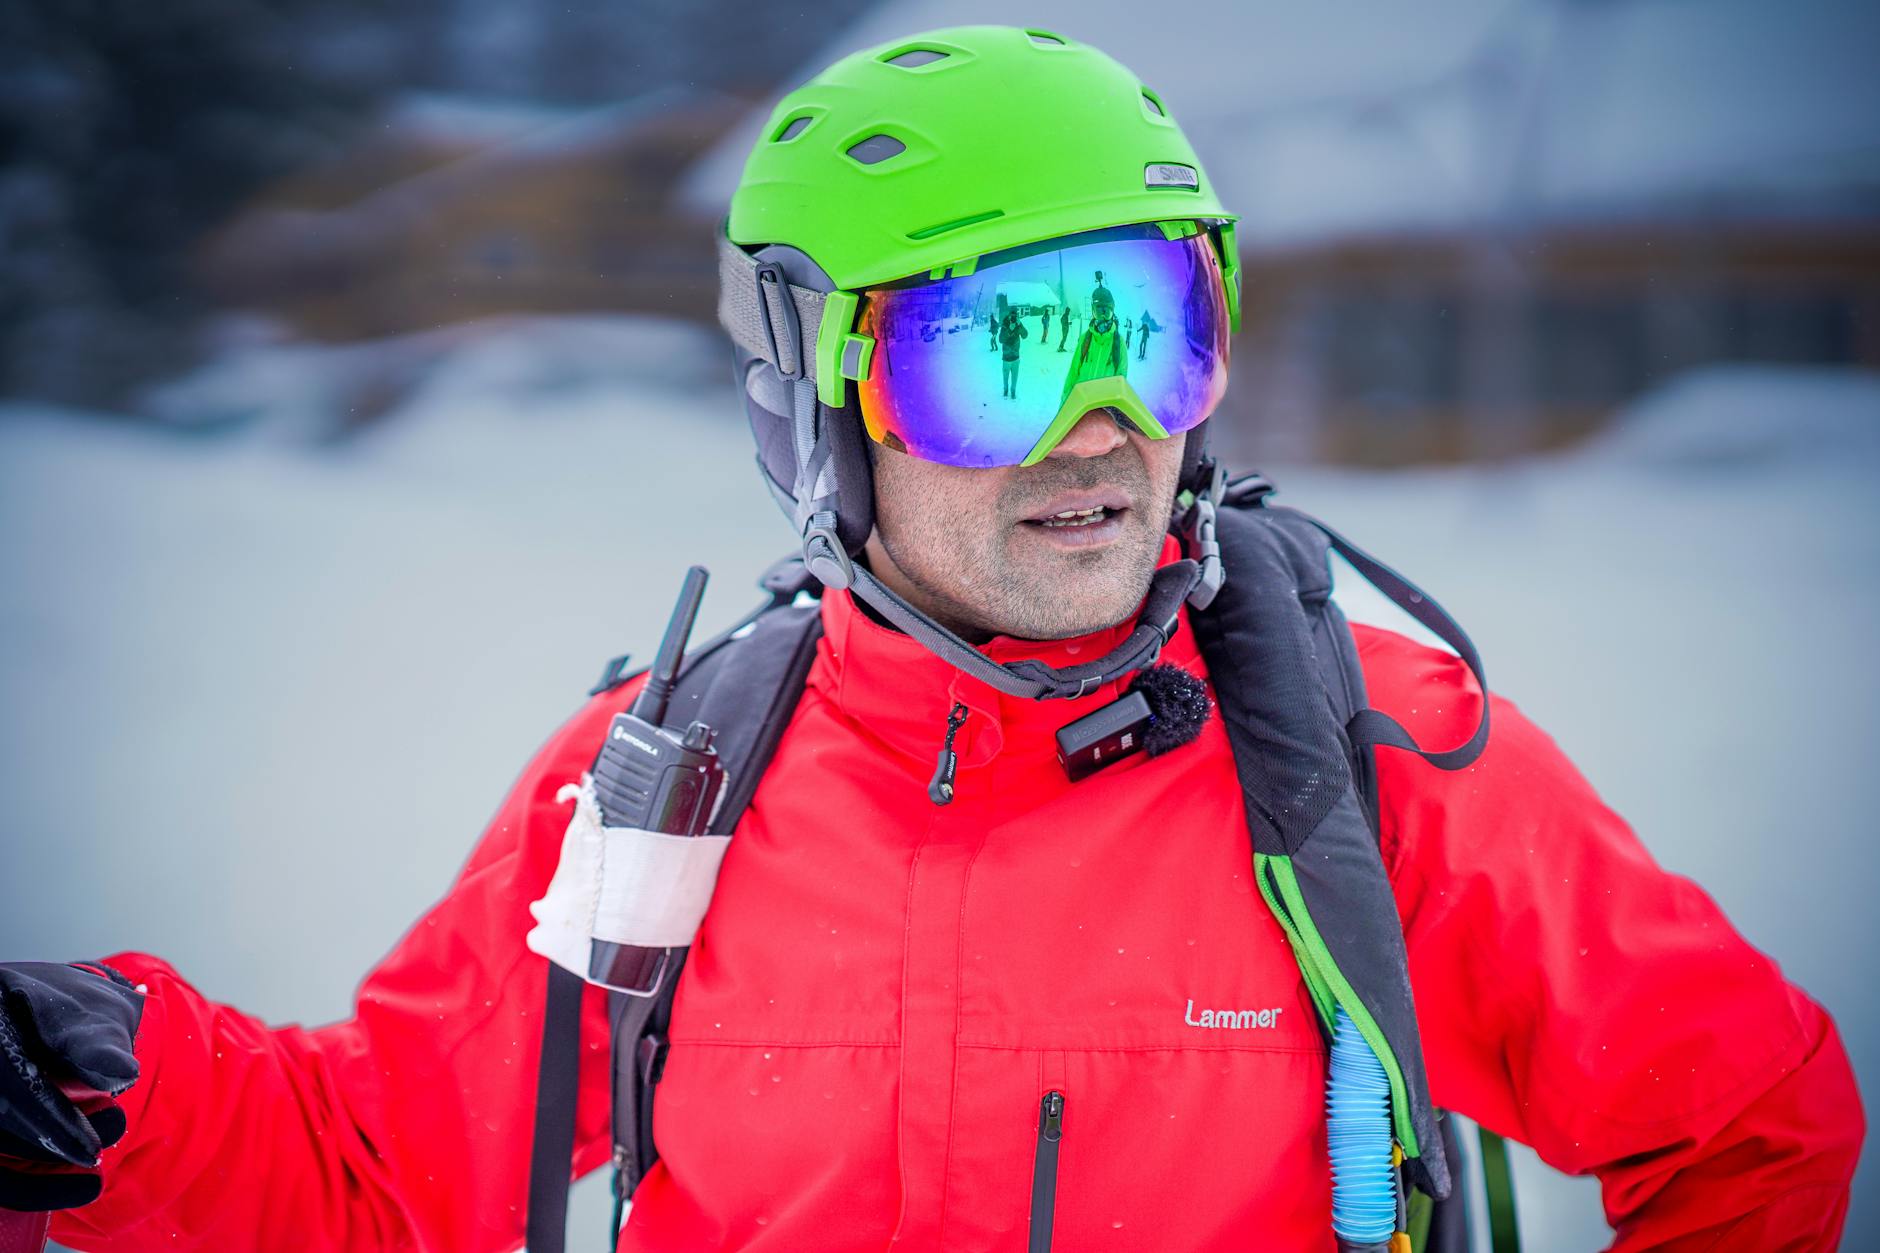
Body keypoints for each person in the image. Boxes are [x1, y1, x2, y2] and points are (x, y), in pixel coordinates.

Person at [0, 24, 1862, 1253]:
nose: (1100, 432)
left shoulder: (1379, 764)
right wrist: (98, 1074)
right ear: (820, 406)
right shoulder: (672, 783)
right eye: (1001, 359)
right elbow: (380, 1166)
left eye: (1150, 334)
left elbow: (1750, 1119)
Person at [998, 306, 1028, 399]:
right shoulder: (1005, 325)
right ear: (1009, 315)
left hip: (1015, 357)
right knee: (1005, 376)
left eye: (1015, 315)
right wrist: (1009, 330)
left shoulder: (1018, 325)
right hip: (1006, 357)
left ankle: (1013, 391)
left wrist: (1020, 325)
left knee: (1015, 377)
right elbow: (1001, 339)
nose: (1013, 317)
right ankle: (1005, 390)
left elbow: (1025, 335)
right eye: (1012, 315)